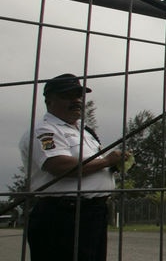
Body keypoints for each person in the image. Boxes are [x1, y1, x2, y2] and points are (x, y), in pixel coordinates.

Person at [19, 73, 129, 261]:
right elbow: (59, 166)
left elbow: (92, 165)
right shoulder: (45, 130)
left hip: (93, 214)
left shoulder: (85, 131)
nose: (76, 101)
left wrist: (114, 166)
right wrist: (106, 161)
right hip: (62, 216)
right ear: (49, 101)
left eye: (79, 96)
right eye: (67, 96)